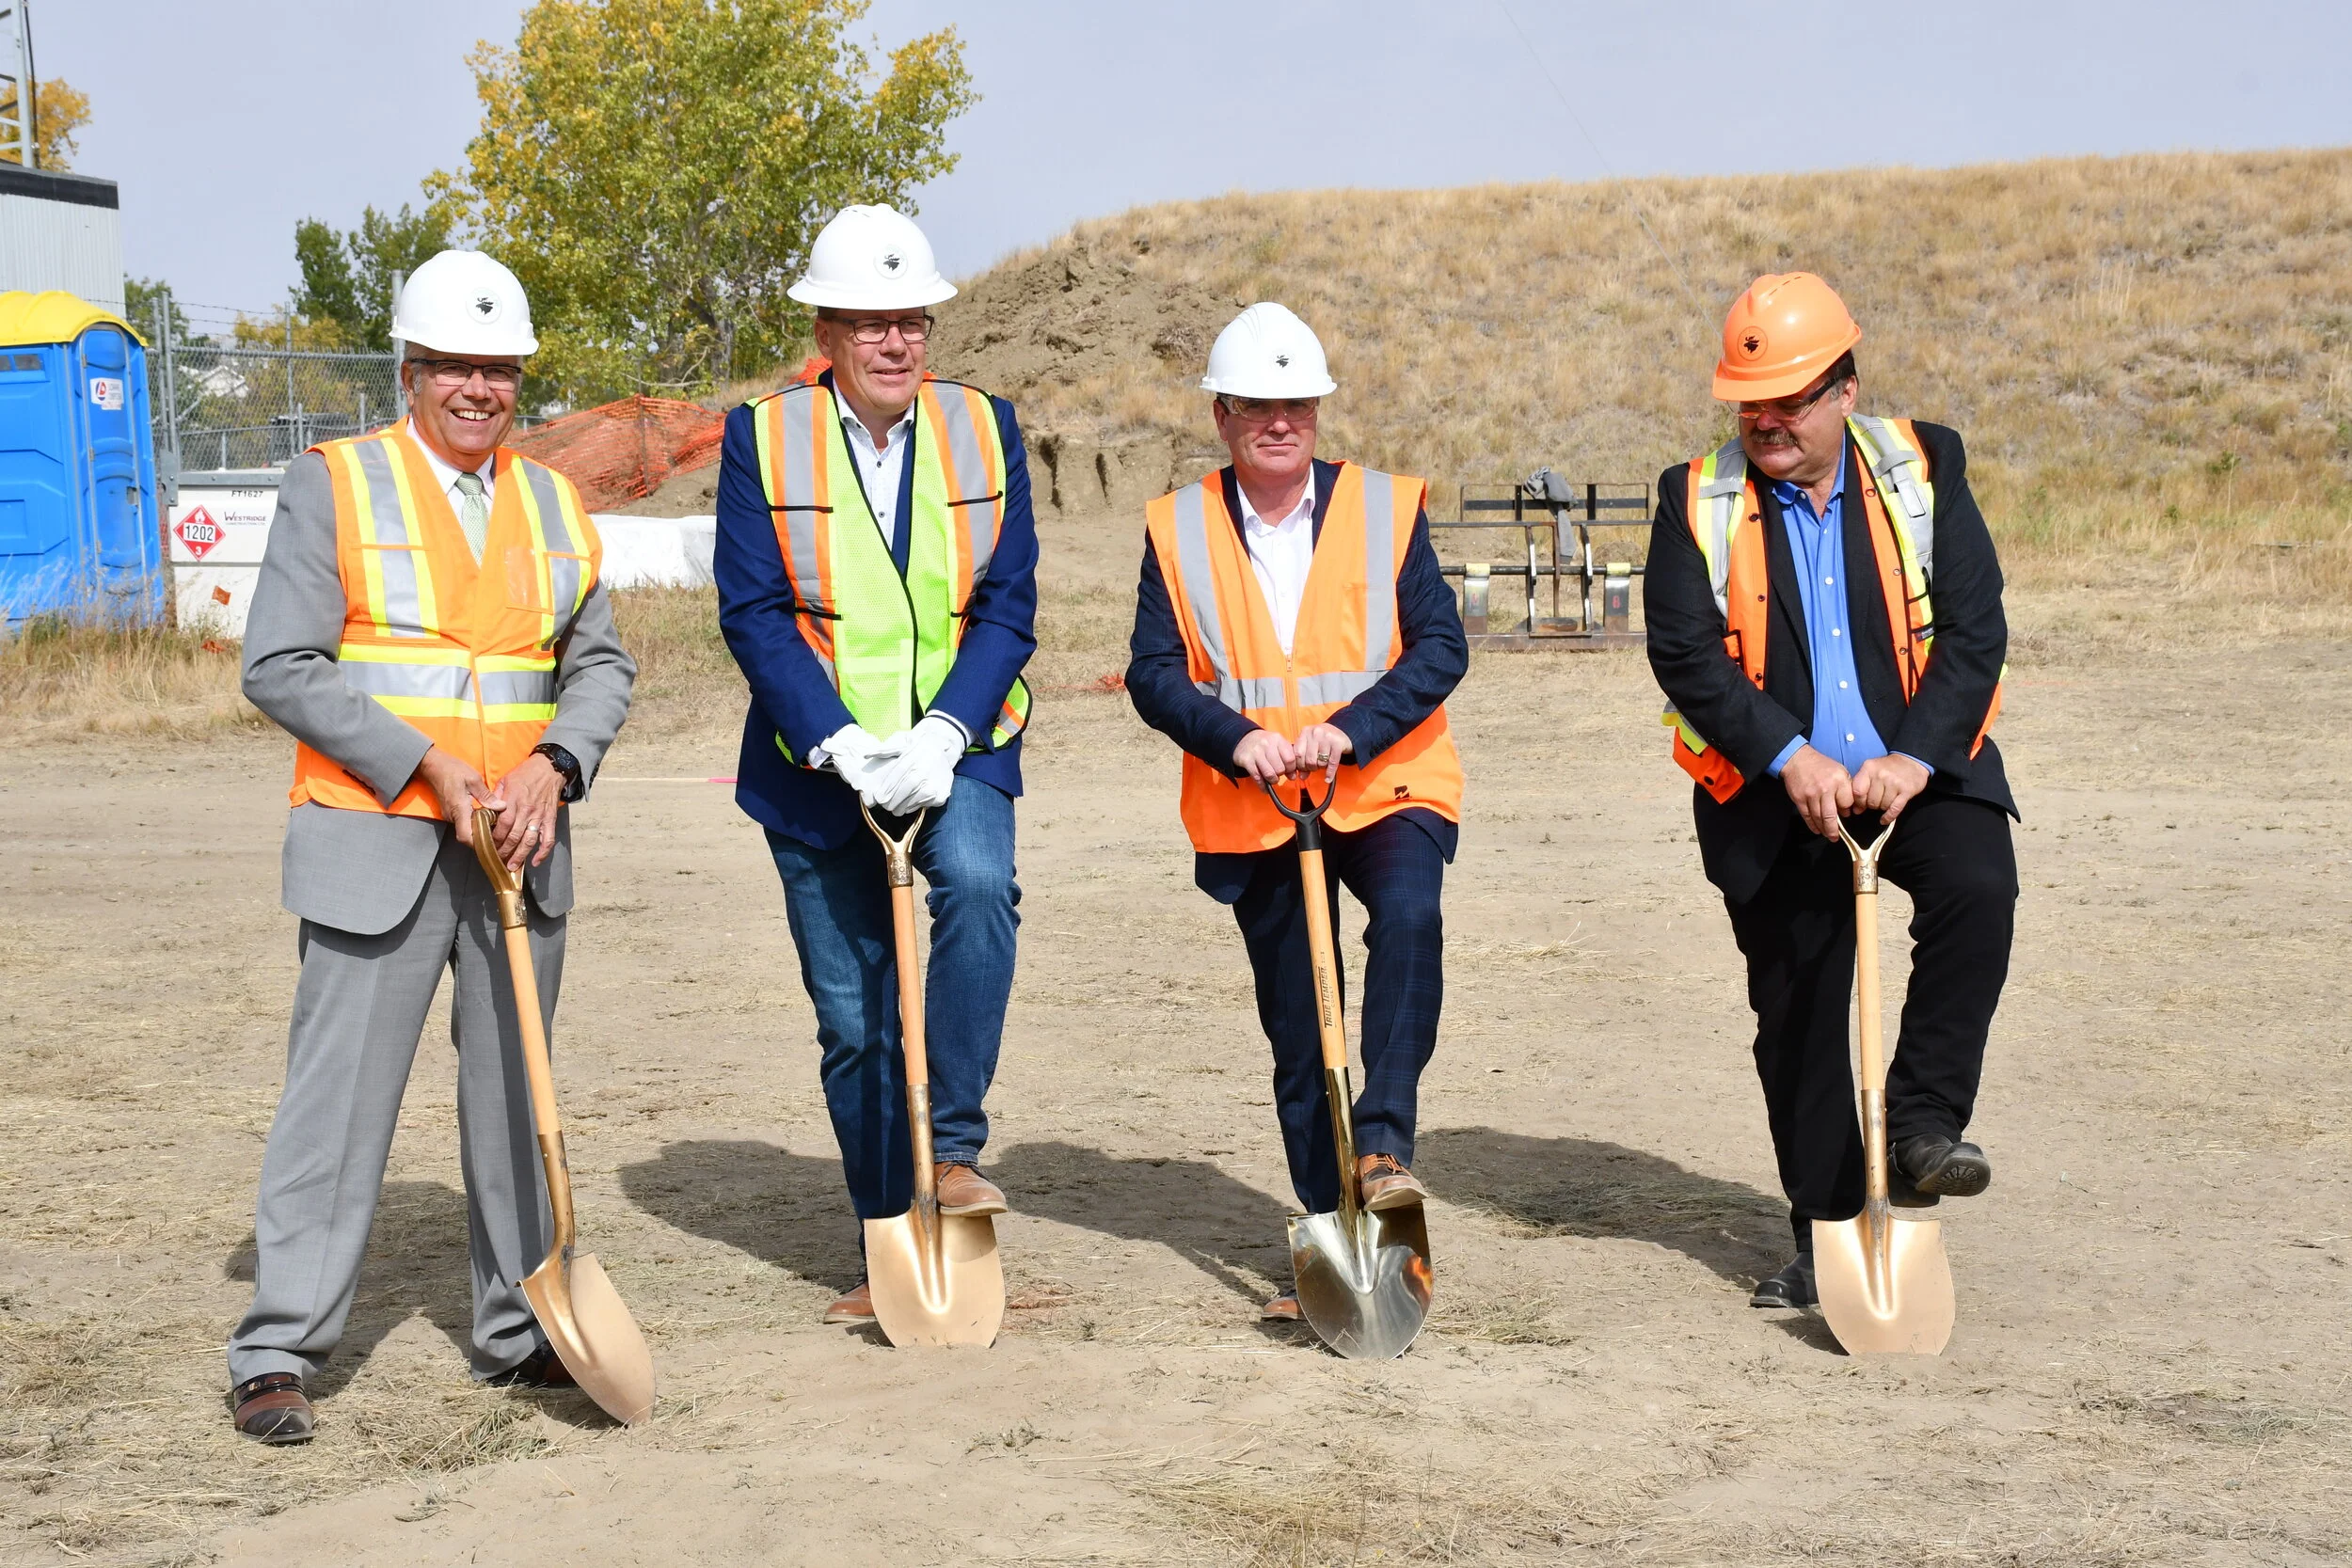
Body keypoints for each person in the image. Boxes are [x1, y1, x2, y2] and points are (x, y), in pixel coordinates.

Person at [228, 250, 637, 1442]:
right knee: (337, 1105)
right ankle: (281, 1346)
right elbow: (281, 665)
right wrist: (425, 765)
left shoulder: (555, 503)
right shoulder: (336, 484)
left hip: (519, 847)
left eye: (499, 368)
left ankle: (518, 1327)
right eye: (455, 364)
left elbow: (597, 662)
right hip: (377, 845)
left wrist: (555, 766)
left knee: (520, 1101)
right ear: (408, 371)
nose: (478, 387)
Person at [1645, 272, 2016, 1311]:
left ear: (1845, 389)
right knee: (1805, 1000)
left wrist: (1915, 757)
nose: (1764, 421)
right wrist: (1787, 756)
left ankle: (1919, 1126)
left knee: (1978, 888)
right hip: (1773, 788)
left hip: (1915, 765)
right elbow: (1686, 655)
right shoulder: (1693, 498)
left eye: (1790, 398)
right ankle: (1826, 1228)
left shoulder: (1923, 465)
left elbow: (1975, 631)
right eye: (1748, 402)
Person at [713, 205, 1038, 1327]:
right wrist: (841, 740)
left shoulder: (986, 427)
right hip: (816, 766)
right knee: (855, 1017)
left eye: (913, 321)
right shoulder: (763, 435)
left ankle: (949, 1150)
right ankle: (886, 1233)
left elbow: (1007, 600)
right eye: (870, 324)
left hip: (962, 742)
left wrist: (946, 731)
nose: (896, 343)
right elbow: (752, 609)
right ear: (827, 330)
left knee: (983, 887)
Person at [1126, 302, 1468, 1322]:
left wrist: (1352, 726)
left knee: (1408, 919)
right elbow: (1151, 672)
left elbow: (1440, 647)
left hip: (1383, 783)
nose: (1281, 421)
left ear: (1318, 410)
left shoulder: (1386, 507)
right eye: (1258, 406)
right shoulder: (1174, 527)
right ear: (1223, 416)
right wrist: (1235, 737)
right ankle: (1330, 1228)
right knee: (1297, 1023)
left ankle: (1384, 1144)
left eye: (1298, 404)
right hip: (1257, 802)